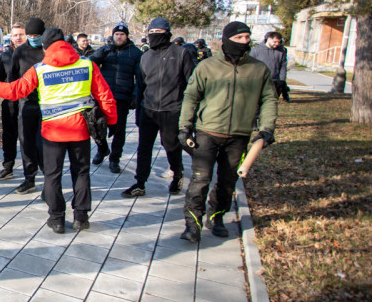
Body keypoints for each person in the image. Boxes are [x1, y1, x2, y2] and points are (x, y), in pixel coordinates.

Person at [0, 27, 117, 233]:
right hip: (80, 130)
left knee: (52, 176)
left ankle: (57, 219)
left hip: (53, 132)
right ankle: (81, 217)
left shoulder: (40, 69)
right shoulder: (87, 64)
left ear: (46, 46)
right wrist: (111, 121)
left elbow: (14, 91)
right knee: (81, 174)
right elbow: (105, 95)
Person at [179, 21, 277, 242]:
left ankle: (217, 216)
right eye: (239, 38)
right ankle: (192, 224)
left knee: (226, 182)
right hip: (207, 132)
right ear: (227, 39)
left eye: (247, 38)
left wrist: (267, 128)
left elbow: (269, 99)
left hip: (239, 135)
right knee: (200, 180)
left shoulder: (258, 69)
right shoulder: (207, 67)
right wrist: (184, 128)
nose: (244, 42)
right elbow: (191, 97)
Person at [123, 18, 195, 198]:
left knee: (171, 146)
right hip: (149, 110)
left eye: (159, 33)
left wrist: (188, 114)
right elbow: (141, 85)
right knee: (144, 148)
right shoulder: (145, 57)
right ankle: (140, 183)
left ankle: (177, 174)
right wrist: (139, 111)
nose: (155, 36)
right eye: (152, 32)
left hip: (172, 110)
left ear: (167, 33)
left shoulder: (181, 54)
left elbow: (192, 84)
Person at [89, 21, 142, 173]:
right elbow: (91, 61)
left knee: (119, 130)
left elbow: (139, 78)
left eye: (122, 34)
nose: (119, 37)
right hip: (103, 97)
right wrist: (104, 50)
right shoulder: (106, 50)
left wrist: (134, 95)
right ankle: (102, 149)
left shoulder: (135, 53)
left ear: (127, 36)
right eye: (116, 34)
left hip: (122, 97)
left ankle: (115, 159)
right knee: (97, 126)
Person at [9, 17, 47, 195]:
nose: (33, 38)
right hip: (26, 103)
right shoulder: (20, 52)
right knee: (26, 143)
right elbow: (12, 78)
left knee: (44, 144)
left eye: (36, 35)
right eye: (30, 35)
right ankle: (29, 178)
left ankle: (49, 178)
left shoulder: (48, 51)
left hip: (47, 104)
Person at [0, 22, 27, 180]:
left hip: (29, 103)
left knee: (27, 137)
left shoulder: (34, 54)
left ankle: (29, 171)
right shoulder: (6, 55)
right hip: (10, 101)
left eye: (21, 34)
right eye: (15, 35)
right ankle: (8, 167)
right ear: (11, 37)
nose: (18, 37)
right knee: (9, 136)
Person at [251, 32, 290, 102]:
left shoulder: (281, 51)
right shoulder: (256, 50)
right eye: (275, 42)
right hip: (260, 81)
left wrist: (282, 80)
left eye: (279, 42)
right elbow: (250, 66)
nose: (277, 44)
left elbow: (283, 66)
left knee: (272, 101)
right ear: (268, 39)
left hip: (275, 81)